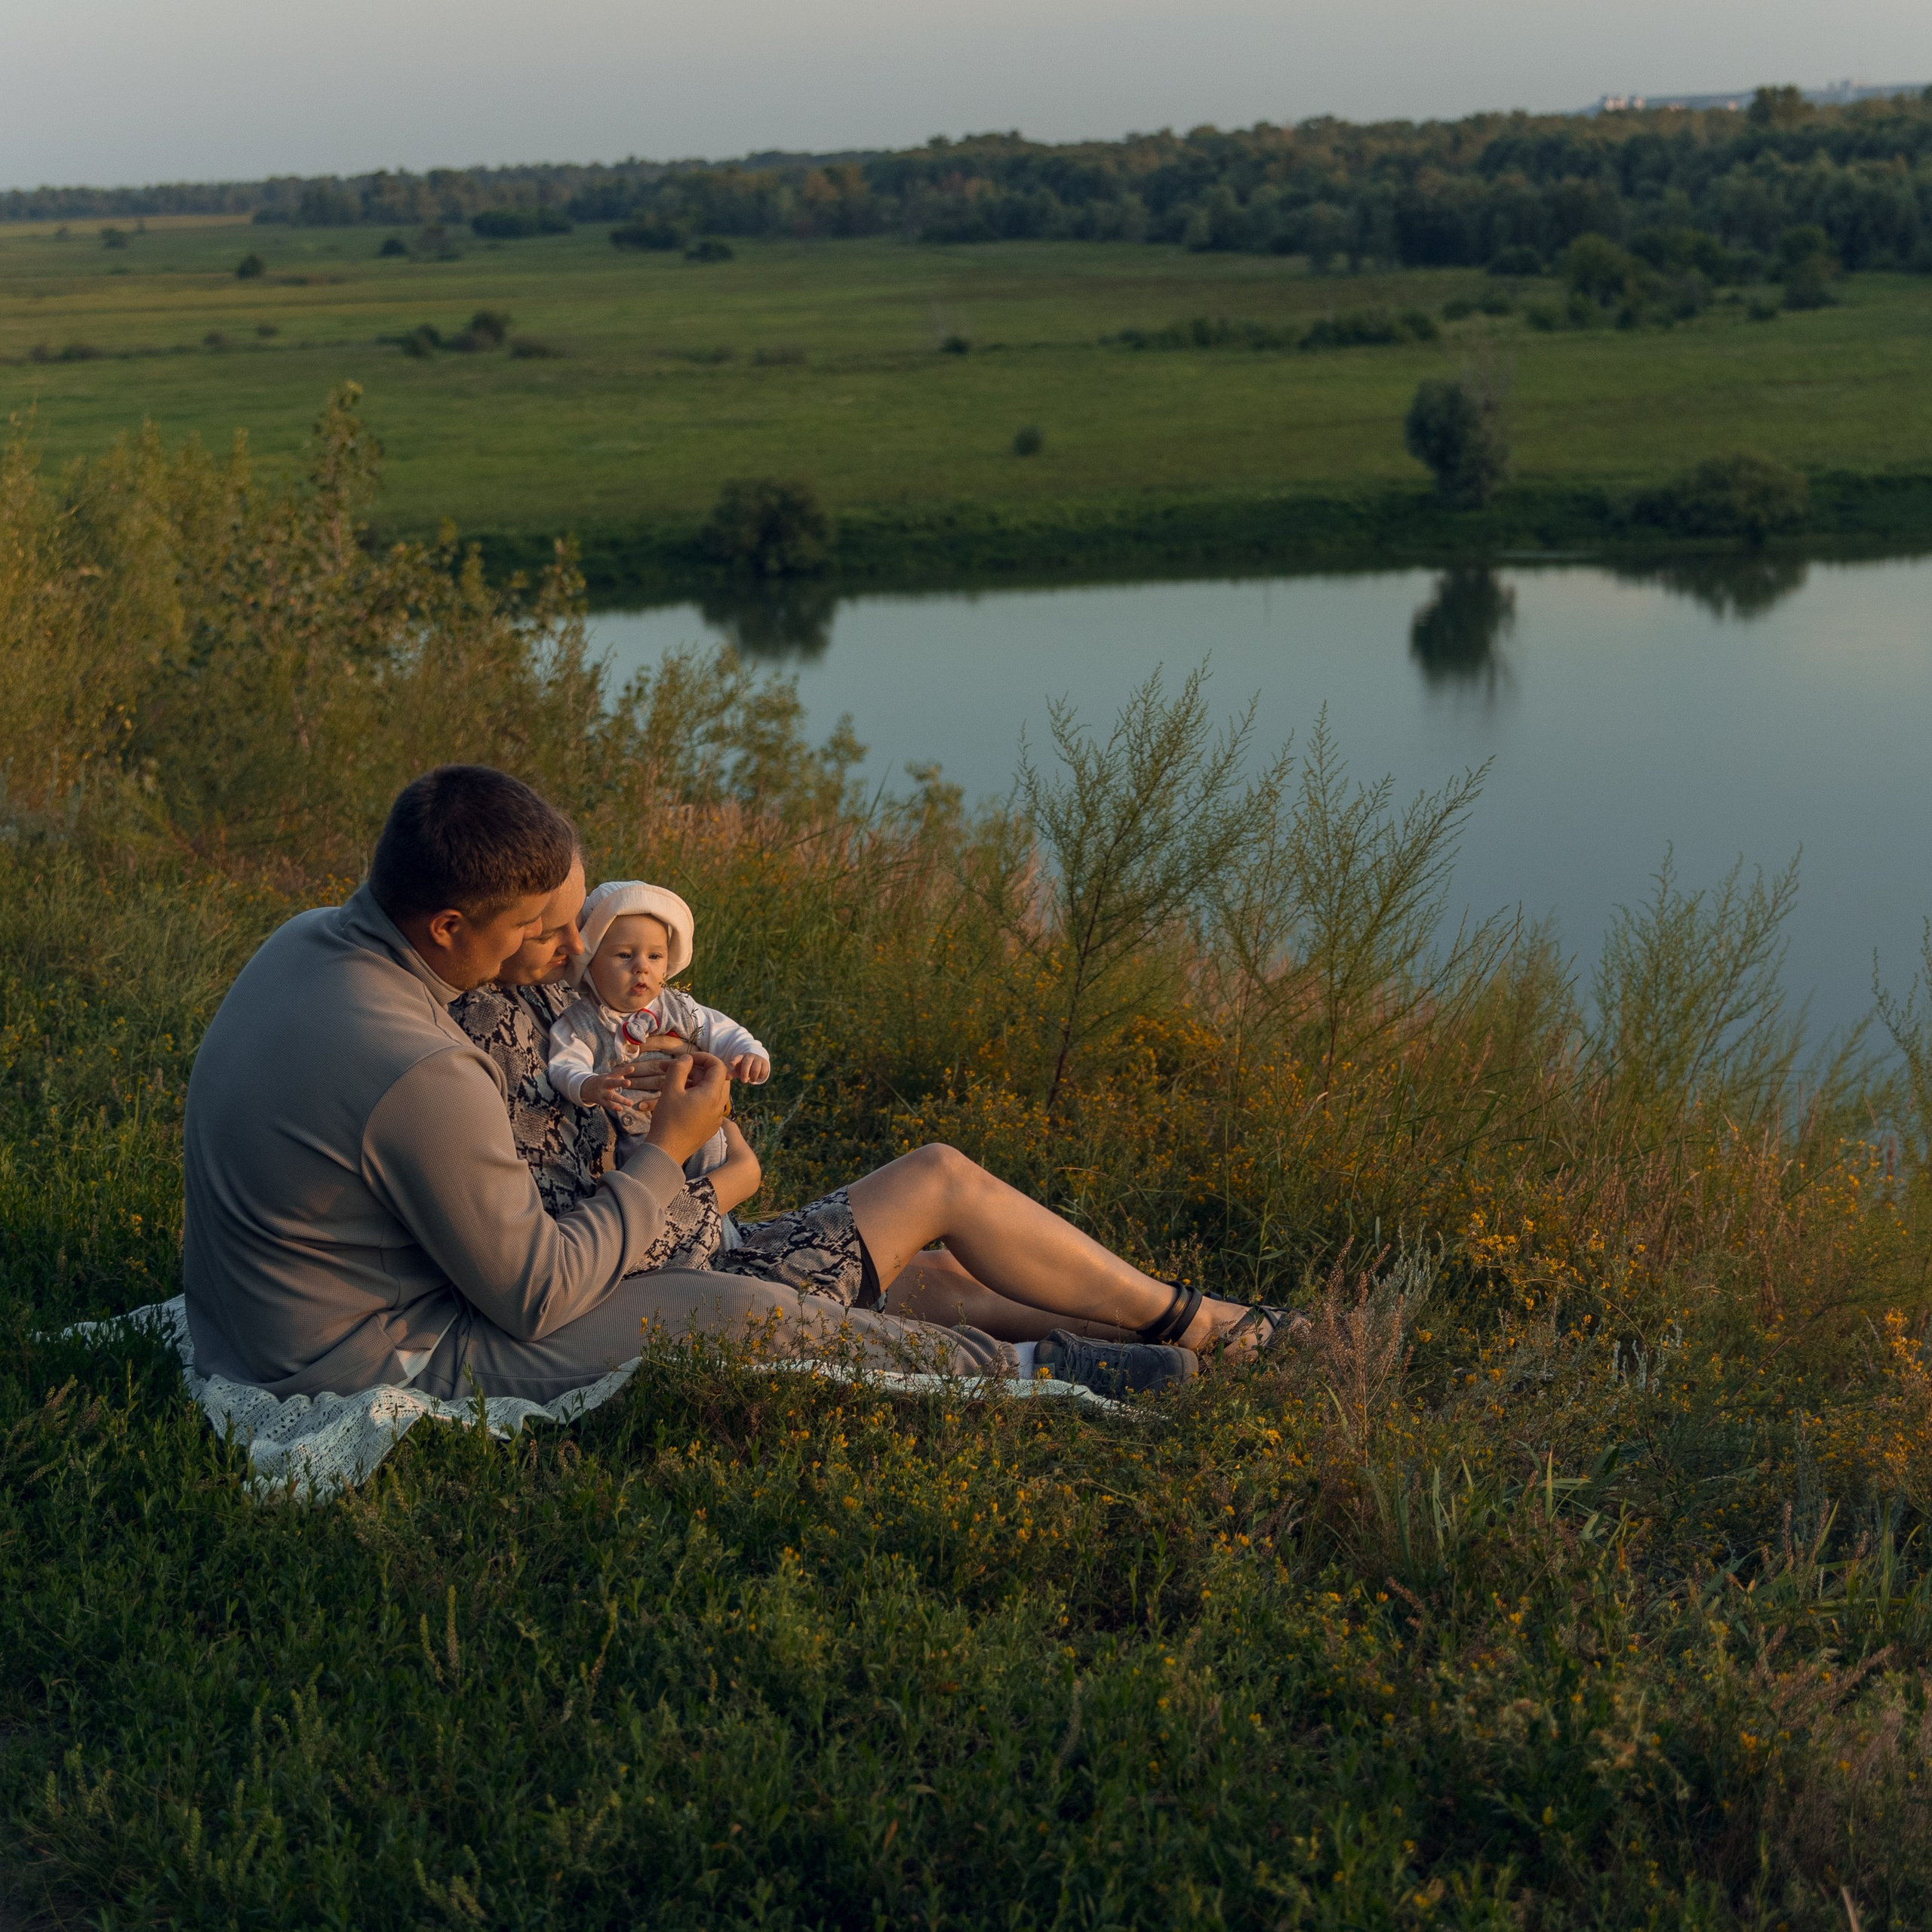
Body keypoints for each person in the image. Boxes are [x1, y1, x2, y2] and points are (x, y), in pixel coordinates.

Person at [183, 764, 1297, 1410]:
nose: (574, 950)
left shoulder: (305, 944)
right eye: (543, 929)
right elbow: (532, 1293)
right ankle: (1040, 1377)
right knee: (737, 1314)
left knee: (814, 1266)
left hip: (301, 1307)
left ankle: (1167, 1329)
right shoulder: (420, 1063)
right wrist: (672, 1152)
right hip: (379, 1351)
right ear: (446, 925)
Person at [546, 878, 770, 1186]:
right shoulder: (580, 1022)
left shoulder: (678, 1007)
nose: (642, 967)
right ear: (590, 963)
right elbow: (564, 1065)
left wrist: (749, 1054)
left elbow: (723, 1031)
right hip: (638, 1146)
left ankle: (718, 1229)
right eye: (624, 955)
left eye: (655, 956)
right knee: (661, 1193)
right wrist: (587, 1085)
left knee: (712, 1174)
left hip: (701, 1128)